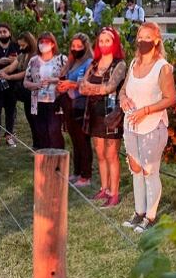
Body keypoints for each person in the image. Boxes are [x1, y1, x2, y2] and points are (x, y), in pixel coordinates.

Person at [118, 22, 176, 233]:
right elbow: (123, 90)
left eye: (147, 38)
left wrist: (147, 110)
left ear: (157, 41)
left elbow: (170, 98)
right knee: (135, 169)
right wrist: (123, 98)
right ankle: (138, 212)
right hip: (130, 125)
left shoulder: (163, 67)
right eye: (140, 37)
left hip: (152, 126)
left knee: (150, 171)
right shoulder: (133, 63)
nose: (143, 41)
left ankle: (150, 216)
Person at [80, 27, 127, 208]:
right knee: (99, 152)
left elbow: (110, 87)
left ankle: (114, 193)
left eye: (108, 41)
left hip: (111, 112)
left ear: (114, 43)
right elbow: (82, 86)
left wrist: (92, 89)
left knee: (111, 153)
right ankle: (104, 188)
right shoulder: (94, 63)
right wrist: (93, 88)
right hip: (93, 112)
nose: (104, 44)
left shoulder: (119, 64)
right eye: (101, 41)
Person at [58, 33, 94, 186]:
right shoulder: (72, 62)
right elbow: (62, 77)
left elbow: (86, 84)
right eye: (73, 46)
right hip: (68, 104)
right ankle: (77, 172)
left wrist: (70, 84)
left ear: (85, 47)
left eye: (79, 46)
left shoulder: (90, 62)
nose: (75, 49)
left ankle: (86, 175)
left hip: (82, 104)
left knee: (83, 140)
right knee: (74, 140)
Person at [23, 32, 67, 150]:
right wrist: (36, 84)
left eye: (46, 42)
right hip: (38, 102)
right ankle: (44, 160)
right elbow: (26, 82)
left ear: (53, 44)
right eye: (41, 42)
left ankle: (58, 159)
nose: (43, 45)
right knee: (41, 132)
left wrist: (54, 80)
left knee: (54, 131)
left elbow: (69, 79)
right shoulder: (33, 61)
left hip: (55, 102)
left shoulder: (61, 60)